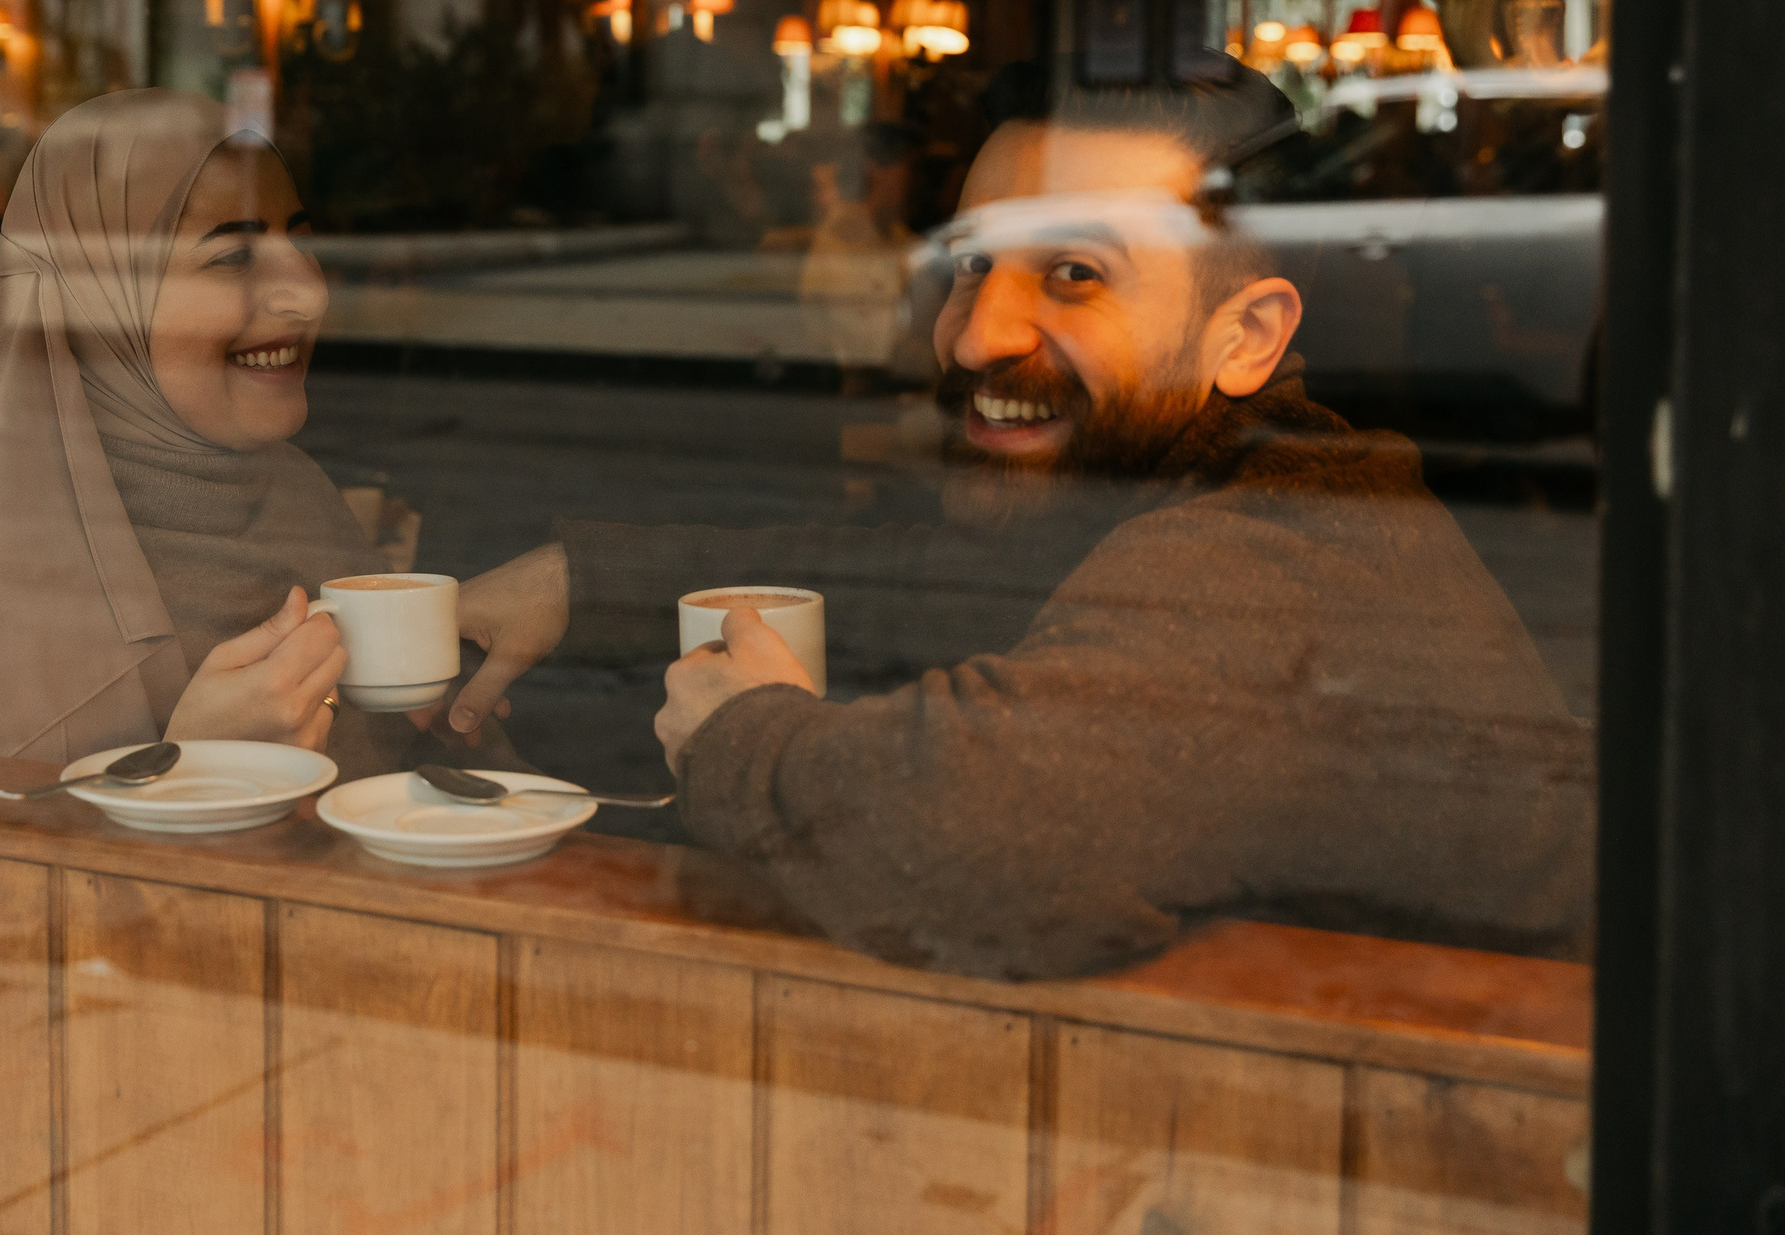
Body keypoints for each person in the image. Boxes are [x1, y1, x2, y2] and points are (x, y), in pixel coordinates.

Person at [442, 62, 1593, 979]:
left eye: (1075, 274)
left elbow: (978, 845)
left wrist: (740, 740)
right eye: (972, 267)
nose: (977, 334)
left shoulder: (1281, 551)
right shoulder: (1195, 489)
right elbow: (930, 580)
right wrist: (589, 582)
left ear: (1243, 338)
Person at [0, 88, 508, 767]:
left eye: (303, 240)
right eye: (232, 258)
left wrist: (457, 704)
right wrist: (189, 769)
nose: (310, 291)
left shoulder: (293, 498)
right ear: (97, 303)